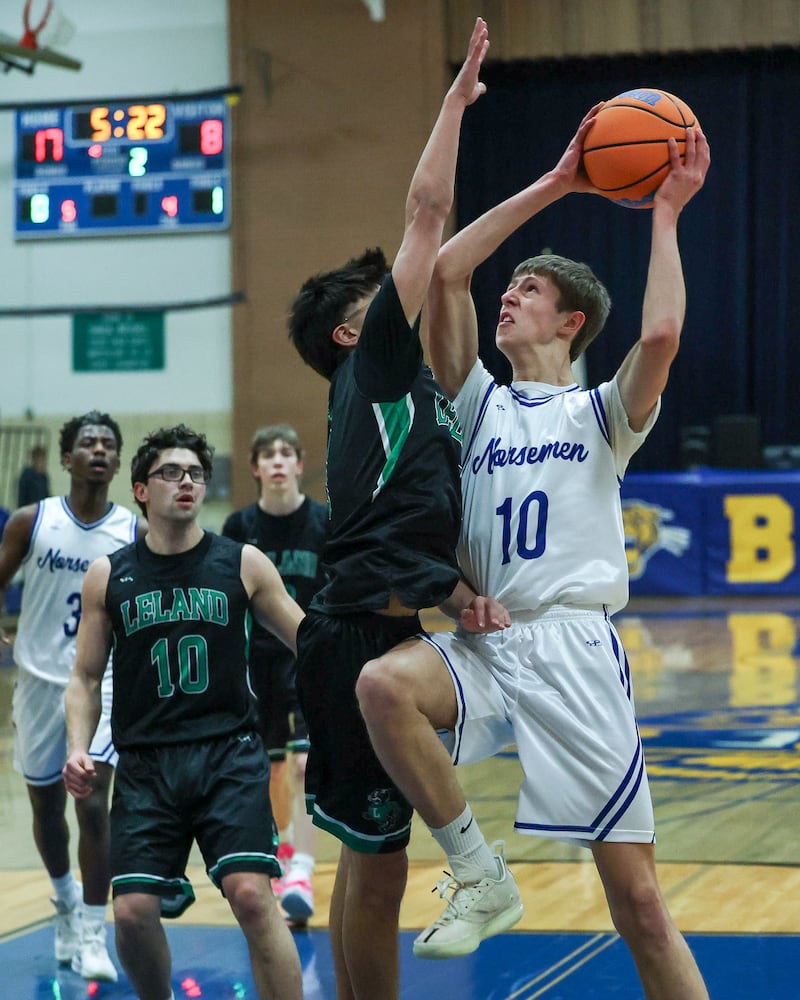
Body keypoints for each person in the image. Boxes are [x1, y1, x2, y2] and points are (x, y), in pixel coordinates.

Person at [355, 109, 712, 997]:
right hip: (488, 640)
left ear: (572, 320)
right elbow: (447, 269)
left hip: (576, 652)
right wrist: (561, 180)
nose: (506, 296)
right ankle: (480, 871)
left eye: (528, 291)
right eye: (508, 287)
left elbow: (661, 337)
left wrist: (665, 214)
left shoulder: (601, 415)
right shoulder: (477, 401)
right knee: (384, 684)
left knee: (639, 904)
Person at [287, 18, 519, 1000]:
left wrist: (457, 580)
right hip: (356, 638)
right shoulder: (377, 362)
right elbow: (426, 214)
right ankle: (478, 869)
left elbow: (414, 511)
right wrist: (452, 104)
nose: (403, 293)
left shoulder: (398, 395)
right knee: (376, 873)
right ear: (354, 325)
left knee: (364, 864)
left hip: (350, 625)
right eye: (382, 293)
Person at [62, 424, 304, 1000]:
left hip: (229, 754)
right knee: (133, 911)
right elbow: (86, 677)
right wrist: (78, 746)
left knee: (251, 894)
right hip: (147, 763)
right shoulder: (109, 574)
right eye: (171, 473)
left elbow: (307, 639)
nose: (187, 482)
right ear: (142, 490)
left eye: (196, 472)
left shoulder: (242, 562)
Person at [0, 411, 144, 982]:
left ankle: (90, 928)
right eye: (87, 442)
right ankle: (63, 904)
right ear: (66, 458)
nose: (99, 450)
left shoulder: (131, 530)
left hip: (101, 684)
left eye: (109, 443)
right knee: (44, 806)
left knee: (91, 804)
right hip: (38, 682)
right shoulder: (32, 522)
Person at [222, 423, 327, 925]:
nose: (279, 462)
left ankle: (303, 870)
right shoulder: (240, 527)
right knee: (270, 770)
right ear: (256, 468)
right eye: (269, 455)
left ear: (300, 465)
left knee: (306, 765)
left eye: (288, 453)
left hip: (308, 659)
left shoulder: (323, 522)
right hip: (256, 664)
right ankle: (285, 850)